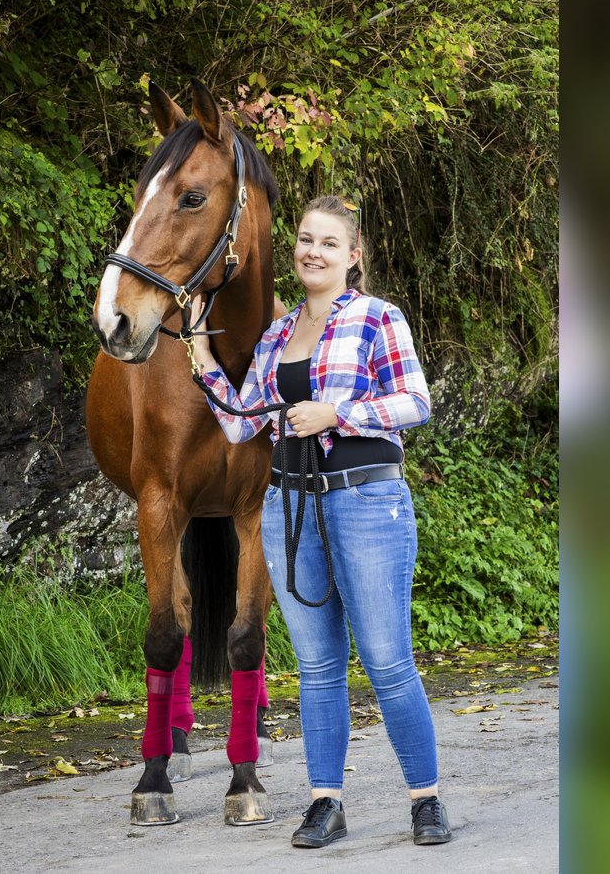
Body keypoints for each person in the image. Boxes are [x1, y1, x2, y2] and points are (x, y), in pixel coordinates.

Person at [189, 195, 451, 848]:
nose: (312, 251)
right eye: (305, 240)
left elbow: (416, 401)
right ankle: (325, 804)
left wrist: (339, 414)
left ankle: (426, 799)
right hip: (289, 506)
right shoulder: (277, 337)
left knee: (388, 662)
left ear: (353, 256)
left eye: (329, 243)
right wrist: (199, 350)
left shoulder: (376, 319)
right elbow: (241, 420)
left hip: (366, 502)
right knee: (317, 666)